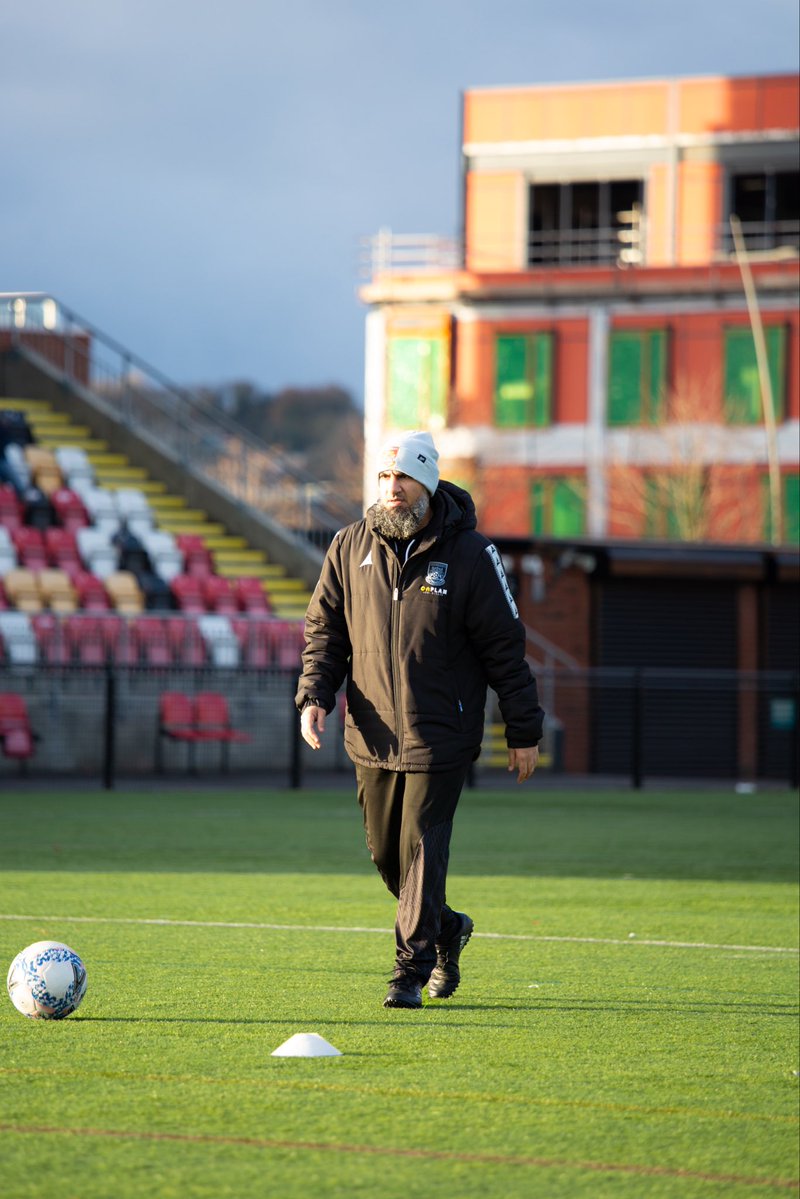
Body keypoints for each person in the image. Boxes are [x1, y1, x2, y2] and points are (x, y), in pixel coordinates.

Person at [296, 430, 544, 1010]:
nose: (392, 488)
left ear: (427, 481)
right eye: (384, 478)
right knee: (389, 857)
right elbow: (324, 632)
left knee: (422, 849)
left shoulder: (472, 553)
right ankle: (448, 926)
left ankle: (409, 972)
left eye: (403, 477)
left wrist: (523, 728)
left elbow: (505, 647)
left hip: (443, 734)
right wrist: (315, 695)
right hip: (372, 733)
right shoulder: (346, 545)